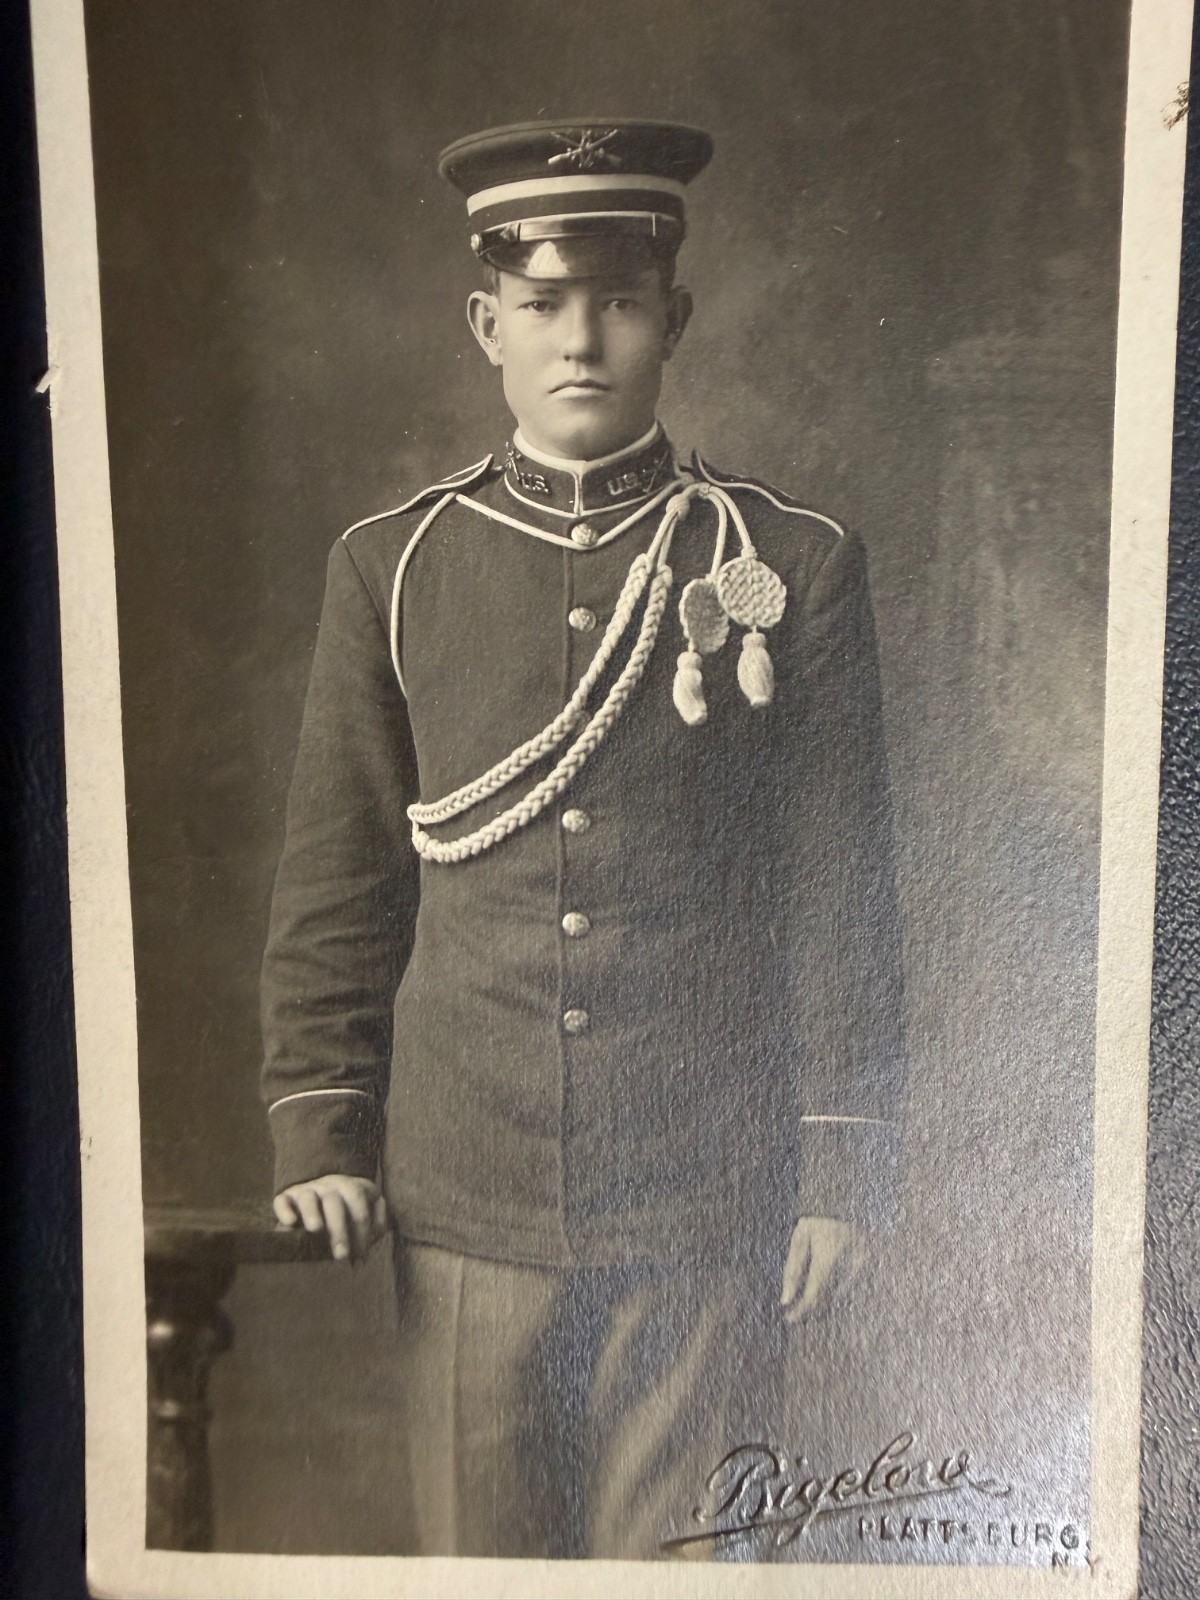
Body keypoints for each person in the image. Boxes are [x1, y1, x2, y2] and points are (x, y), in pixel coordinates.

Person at [260, 118, 905, 1559]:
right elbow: (341, 878)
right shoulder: (394, 566)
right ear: (486, 322)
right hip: (465, 1188)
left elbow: (841, 888)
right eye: (544, 304)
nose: (581, 339)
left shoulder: (786, 563)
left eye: (617, 301)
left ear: (671, 318)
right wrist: (322, 1126)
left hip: (705, 1190)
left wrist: (845, 1173)